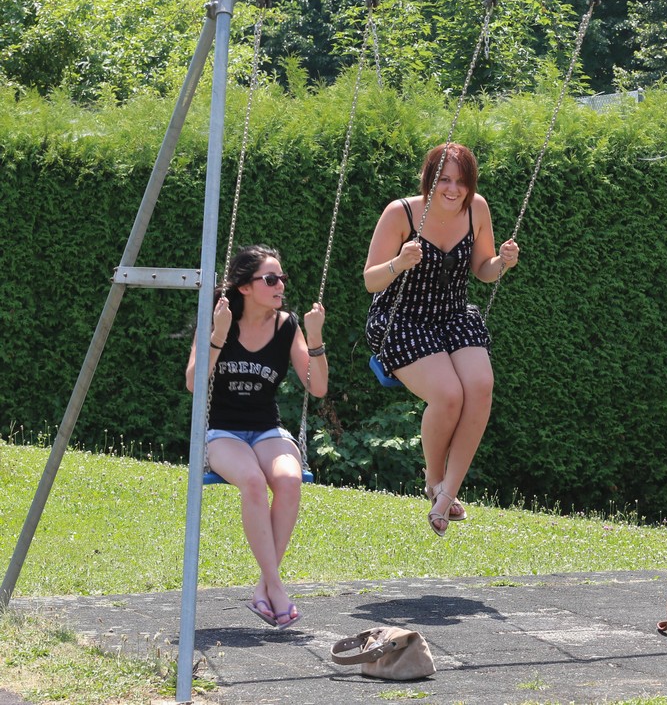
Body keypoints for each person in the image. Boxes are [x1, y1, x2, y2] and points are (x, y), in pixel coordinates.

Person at [363, 142, 519, 537]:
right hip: (403, 320)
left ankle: (449, 493)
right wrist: (399, 262)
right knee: (449, 395)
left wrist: (502, 263)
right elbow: (370, 280)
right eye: (444, 180)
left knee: (480, 386)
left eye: (461, 182)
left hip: (452, 317)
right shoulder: (401, 213)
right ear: (428, 179)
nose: (453, 189)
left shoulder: (477, 209)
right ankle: (434, 483)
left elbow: (483, 269)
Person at [185, 244, 328, 629]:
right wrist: (218, 335)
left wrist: (315, 337)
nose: (280, 285)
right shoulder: (218, 319)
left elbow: (317, 387)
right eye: (270, 279)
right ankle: (275, 589)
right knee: (252, 480)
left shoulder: (287, 326)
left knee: (289, 480)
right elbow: (194, 383)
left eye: (282, 278)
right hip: (222, 432)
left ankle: (265, 588)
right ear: (245, 287)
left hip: (267, 429)